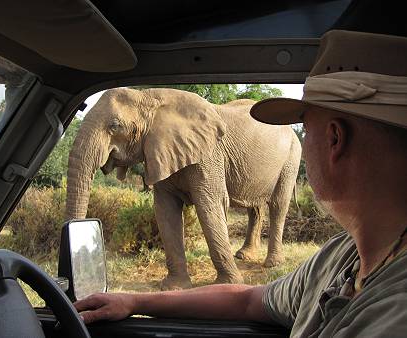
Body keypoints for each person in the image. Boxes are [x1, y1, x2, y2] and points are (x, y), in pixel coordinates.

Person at [74, 30, 407, 337]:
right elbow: (247, 300)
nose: (303, 146)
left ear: (335, 139)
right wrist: (136, 302)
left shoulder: (394, 310)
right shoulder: (340, 257)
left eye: (305, 126)